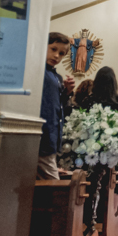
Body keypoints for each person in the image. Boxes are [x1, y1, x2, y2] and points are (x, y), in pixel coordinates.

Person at [39, 32, 75, 179]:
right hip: (42, 138)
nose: (56, 56)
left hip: (50, 140)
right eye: (53, 49)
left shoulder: (56, 77)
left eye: (61, 54)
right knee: (53, 185)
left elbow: (58, 108)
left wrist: (67, 92)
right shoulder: (38, 71)